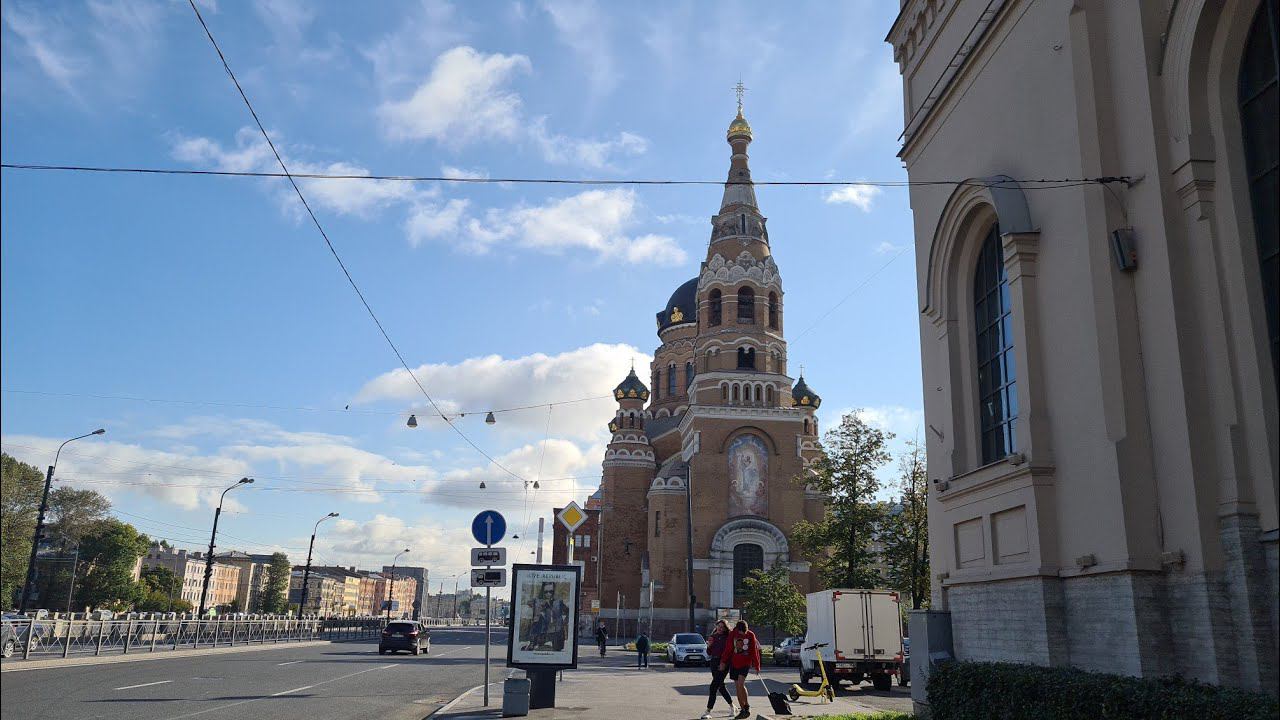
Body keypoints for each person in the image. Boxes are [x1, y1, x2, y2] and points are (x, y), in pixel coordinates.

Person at [718, 620, 761, 720]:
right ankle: (743, 710)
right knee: (737, 687)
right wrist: (723, 662)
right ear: (737, 629)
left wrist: (757, 665)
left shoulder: (750, 634)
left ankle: (747, 706)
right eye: (741, 632)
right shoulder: (733, 634)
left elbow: (754, 650)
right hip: (734, 663)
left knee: (741, 684)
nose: (743, 634)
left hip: (745, 663)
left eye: (744, 632)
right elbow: (728, 649)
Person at [702, 620, 735, 719]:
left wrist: (723, 663)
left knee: (714, 686)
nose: (720, 628)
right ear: (716, 626)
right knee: (720, 686)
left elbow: (729, 651)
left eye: (722, 627)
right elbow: (709, 652)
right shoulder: (713, 637)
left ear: (725, 628)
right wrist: (709, 646)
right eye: (719, 626)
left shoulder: (727, 638)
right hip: (714, 662)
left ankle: (708, 711)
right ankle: (732, 707)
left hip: (723, 663)